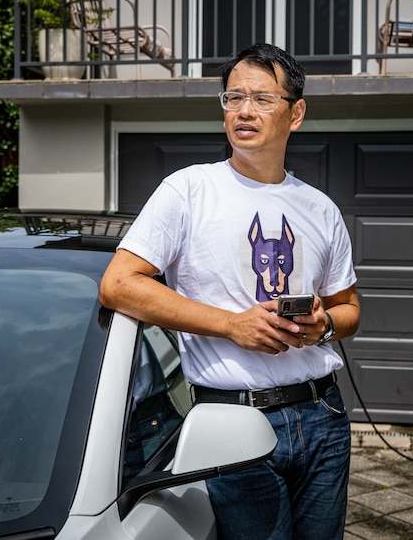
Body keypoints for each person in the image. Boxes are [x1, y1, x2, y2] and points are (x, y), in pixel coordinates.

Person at [99, 42, 360, 539]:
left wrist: (322, 326)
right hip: (230, 418)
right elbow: (118, 285)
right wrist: (230, 325)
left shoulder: (321, 208)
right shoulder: (188, 191)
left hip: (323, 415)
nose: (243, 110)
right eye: (232, 97)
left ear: (296, 112)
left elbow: (349, 309)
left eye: (262, 99)